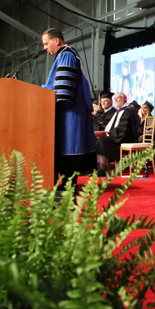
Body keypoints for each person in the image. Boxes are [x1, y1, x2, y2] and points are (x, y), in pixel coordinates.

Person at [41, 28, 97, 190]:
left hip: (70, 112)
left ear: (56, 41)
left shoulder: (66, 55)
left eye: (46, 43)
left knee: (69, 147)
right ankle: (66, 183)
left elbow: (63, 92)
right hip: (71, 111)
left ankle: (68, 185)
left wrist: (44, 93)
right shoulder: (68, 55)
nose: (45, 48)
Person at [95, 92, 140, 173]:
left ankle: (103, 168)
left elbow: (124, 129)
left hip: (125, 138)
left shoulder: (128, 111)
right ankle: (100, 167)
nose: (115, 99)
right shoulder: (119, 111)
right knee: (100, 140)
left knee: (102, 141)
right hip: (117, 136)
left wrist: (109, 133)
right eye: (114, 98)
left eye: (118, 97)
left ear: (124, 99)